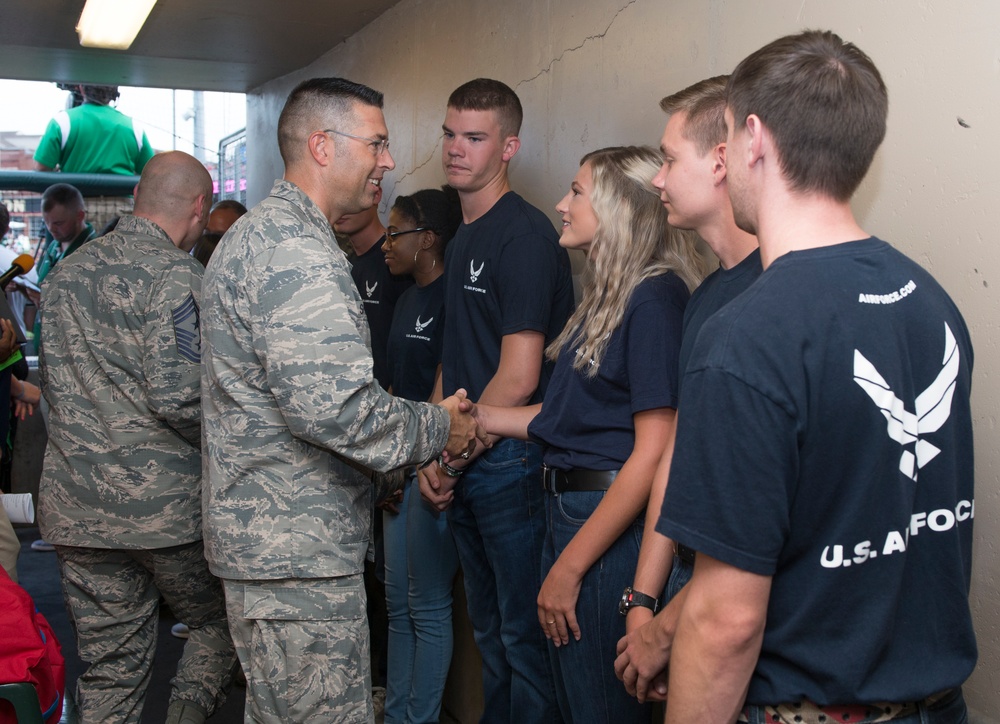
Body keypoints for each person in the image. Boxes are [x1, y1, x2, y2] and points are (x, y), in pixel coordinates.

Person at [631, 30, 975, 722]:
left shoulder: (747, 336)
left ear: (753, 139)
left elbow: (726, 623)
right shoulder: (929, 298)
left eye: (727, 137)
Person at [200, 77, 486, 723]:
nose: (389, 161)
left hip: (274, 547)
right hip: (295, 552)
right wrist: (440, 427)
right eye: (378, 144)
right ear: (323, 146)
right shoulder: (296, 252)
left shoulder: (260, 236)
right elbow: (338, 410)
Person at [468, 146, 706, 723]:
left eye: (576, 191)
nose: (561, 204)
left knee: (598, 709)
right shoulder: (612, 294)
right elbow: (567, 420)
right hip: (572, 509)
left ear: (618, 205)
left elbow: (653, 452)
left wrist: (570, 567)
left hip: (608, 524)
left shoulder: (654, 297)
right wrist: (476, 417)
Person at [37, 151, 236, 724]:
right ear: (200, 208)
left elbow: (52, 384)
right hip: (164, 512)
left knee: (109, 664)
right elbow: (183, 397)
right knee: (219, 622)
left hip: (76, 510)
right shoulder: (179, 278)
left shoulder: (64, 275)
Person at [418, 77, 575, 722]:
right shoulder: (460, 239)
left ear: (508, 146)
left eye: (475, 137)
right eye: (451, 134)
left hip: (509, 462)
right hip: (466, 457)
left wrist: (450, 459)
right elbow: (451, 360)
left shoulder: (525, 236)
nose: (457, 149)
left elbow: (517, 373)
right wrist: (428, 444)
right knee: (491, 637)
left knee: (523, 640)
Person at [614, 75, 762, 694]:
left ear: (722, 162)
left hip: (737, 596)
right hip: (685, 583)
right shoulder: (707, 298)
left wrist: (668, 626)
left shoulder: (774, 293)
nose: (657, 178)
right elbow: (679, 451)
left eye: (670, 160)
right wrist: (643, 600)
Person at [380, 186, 463, 724]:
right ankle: (396, 714)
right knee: (397, 604)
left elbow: (447, 388)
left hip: (432, 471)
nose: (386, 243)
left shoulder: (452, 298)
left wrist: (415, 461)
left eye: (396, 232)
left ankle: (419, 719)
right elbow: (389, 390)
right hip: (395, 467)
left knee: (428, 605)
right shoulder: (405, 297)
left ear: (427, 238)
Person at [335, 187, 413, 389]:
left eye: (349, 198)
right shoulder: (344, 264)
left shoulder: (397, 262)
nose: (342, 209)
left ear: (376, 195)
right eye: (337, 200)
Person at [33, 84, 155, 175]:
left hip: (76, 205)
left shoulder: (62, 121)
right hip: (122, 206)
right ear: (114, 93)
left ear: (81, 88)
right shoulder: (134, 127)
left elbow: (42, 167)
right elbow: (152, 172)